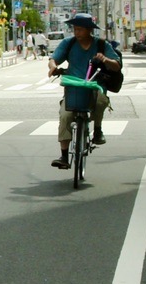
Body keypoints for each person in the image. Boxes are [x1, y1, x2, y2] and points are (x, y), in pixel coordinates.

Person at [48, 13, 121, 168]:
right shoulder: (68, 43)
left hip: (95, 85)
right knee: (65, 115)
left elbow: (116, 65)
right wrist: (53, 67)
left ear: (89, 30)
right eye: (75, 29)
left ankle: (97, 129)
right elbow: (54, 59)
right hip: (74, 86)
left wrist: (105, 59)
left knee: (101, 101)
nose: (77, 32)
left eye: (80, 29)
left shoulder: (101, 45)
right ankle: (64, 156)